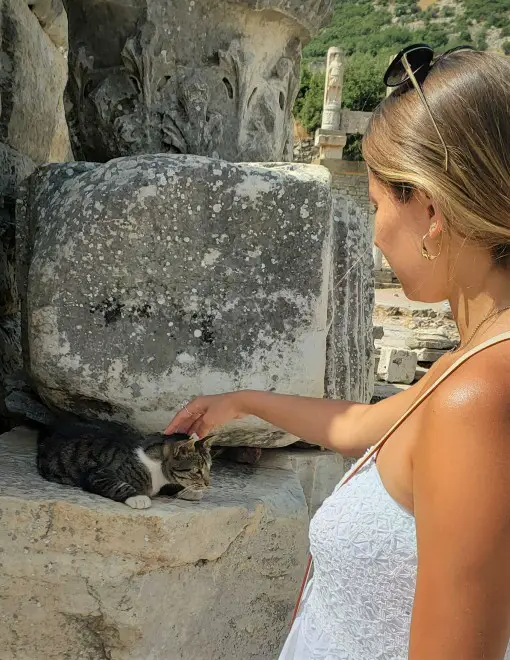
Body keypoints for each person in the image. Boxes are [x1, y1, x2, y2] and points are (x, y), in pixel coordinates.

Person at [165, 45, 510, 660]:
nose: (374, 230)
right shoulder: (478, 359)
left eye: (376, 206)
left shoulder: (476, 396)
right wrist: (242, 401)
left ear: (430, 210)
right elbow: (366, 428)